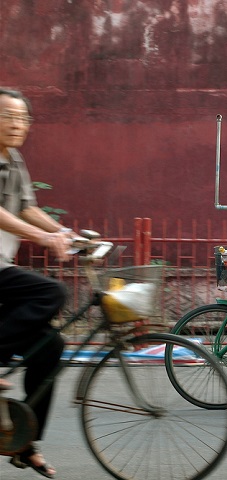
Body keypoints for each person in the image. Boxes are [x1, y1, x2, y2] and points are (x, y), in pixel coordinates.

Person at [0, 87, 75, 478]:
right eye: (7, 116)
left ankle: (24, 443)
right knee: (52, 291)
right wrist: (44, 239)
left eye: (22, 118)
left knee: (52, 344)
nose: (16, 125)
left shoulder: (13, 159)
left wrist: (67, 233)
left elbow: (27, 207)